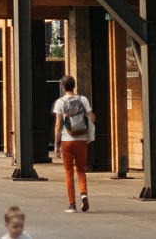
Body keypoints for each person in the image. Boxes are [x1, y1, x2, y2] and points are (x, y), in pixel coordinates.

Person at [52, 74, 95, 214]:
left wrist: (56, 145)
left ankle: (72, 204)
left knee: (68, 172)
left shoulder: (60, 102)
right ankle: (84, 194)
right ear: (74, 85)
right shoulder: (83, 99)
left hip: (67, 141)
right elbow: (92, 117)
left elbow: (58, 125)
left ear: (63, 87)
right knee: (81, 170)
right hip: (81, 140)